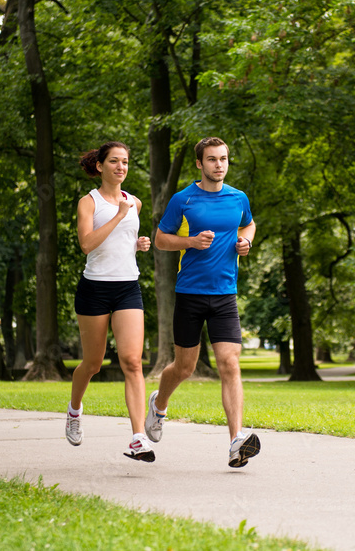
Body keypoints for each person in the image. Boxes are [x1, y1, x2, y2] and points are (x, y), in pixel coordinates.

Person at [146, 136, 260, 468]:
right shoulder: (184, 200)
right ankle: (159, 404)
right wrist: (191, 242)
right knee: (184, 367)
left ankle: (236, 441)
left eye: (223, 159)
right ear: (200, 163)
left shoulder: (238, 198)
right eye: (212, 159)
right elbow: (161, 239)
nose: (219, 165)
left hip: (225, 295)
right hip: (190, 294)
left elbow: (249, 224)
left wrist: (245, 242)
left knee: (229, 364)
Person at [66, 141, 155, 462]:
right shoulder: (88, 203)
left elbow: (123, 243)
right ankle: (75, 410)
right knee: (93, 363)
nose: (121, 167)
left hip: (128, 287)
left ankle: (138, 437)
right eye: (115, 161)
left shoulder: (136, 202)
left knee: (132, 361)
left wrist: (139, 244)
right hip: (94, 289)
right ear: (100, 166)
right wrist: (119, 216)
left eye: (126, 162)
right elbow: (87, 244)